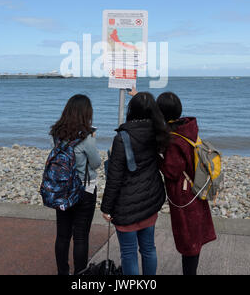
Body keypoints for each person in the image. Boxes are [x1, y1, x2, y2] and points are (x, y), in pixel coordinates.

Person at [101, 92, 169, 275]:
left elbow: (114, 178)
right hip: (149, 200)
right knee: (149, 249)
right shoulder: (159, 133)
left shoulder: (122, 137)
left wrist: (106, 207)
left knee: (129, 253)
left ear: (131, 110)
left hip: (126, 206)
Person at [156, 92, 217, 276]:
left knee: (188, 241)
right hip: (196, 189)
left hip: (185, 197)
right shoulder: (187, 129)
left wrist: (157, 158)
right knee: (194, 239)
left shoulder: (174, 139)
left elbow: (172, 171)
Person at [50, 94, 101, 275]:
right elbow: (96, 163)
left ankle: (62, 272)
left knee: (63, 235)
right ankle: (80, 275)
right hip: (84, 191)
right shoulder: (86, 139)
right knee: (80, 237)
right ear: (87, 113)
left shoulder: (57, 134)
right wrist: (93, 138)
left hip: (62, 188)